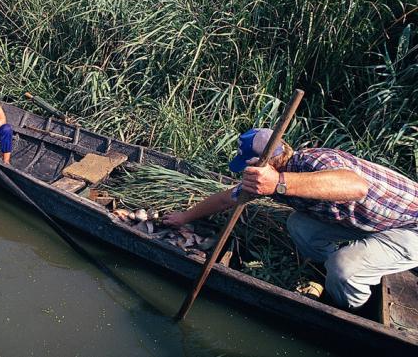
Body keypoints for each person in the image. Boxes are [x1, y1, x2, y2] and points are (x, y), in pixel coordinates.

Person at [162, 128, 418, 310]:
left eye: (251, 166)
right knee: (299, 226)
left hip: (409, 226)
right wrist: (185, 216)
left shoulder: (314, 161)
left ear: (271, 163)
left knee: (344, 270)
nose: (249, 174)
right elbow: (226, 198)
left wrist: (279, 184)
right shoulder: (266, 179)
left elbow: (356, 186)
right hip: (368, 221)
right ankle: (327, 273)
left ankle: (350, 307)